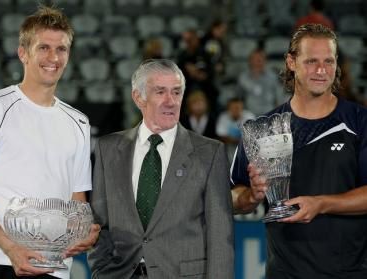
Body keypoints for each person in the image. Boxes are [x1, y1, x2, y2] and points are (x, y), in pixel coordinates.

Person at [231, 23, 367, 279]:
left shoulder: (359, 122)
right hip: (284, 274)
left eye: (329, 61)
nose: (321, 70)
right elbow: (230, 196)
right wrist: (251, 196)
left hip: (350, 273)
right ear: (291, 62)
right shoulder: (264, 129)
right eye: (311, 61)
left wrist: (321, 204)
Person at [88, 59, 234, 278]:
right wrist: (101, 271)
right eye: (160, 92)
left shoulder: (209, 153)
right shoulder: (107, 149)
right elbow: (100, 223)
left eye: (176, 92)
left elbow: (220, 236)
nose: (171, 101)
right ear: (138, 98)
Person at [0, 6, 100, 279]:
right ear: (23, 53)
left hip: (55, 268)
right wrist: (11, 248)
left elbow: (77, 199)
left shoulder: (79, 122)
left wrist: (86, 230)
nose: (53, 57)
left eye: (61, 49)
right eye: (44, 48)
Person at [236, 47, 286, 116]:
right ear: (250, 61)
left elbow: (279, 98)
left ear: (265, 61)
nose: (258, 62)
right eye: (255, 59)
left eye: (260, 59)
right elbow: (238, 99)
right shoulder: (243, 78)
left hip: (269, 114)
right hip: (249, 116)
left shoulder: (272, 76)